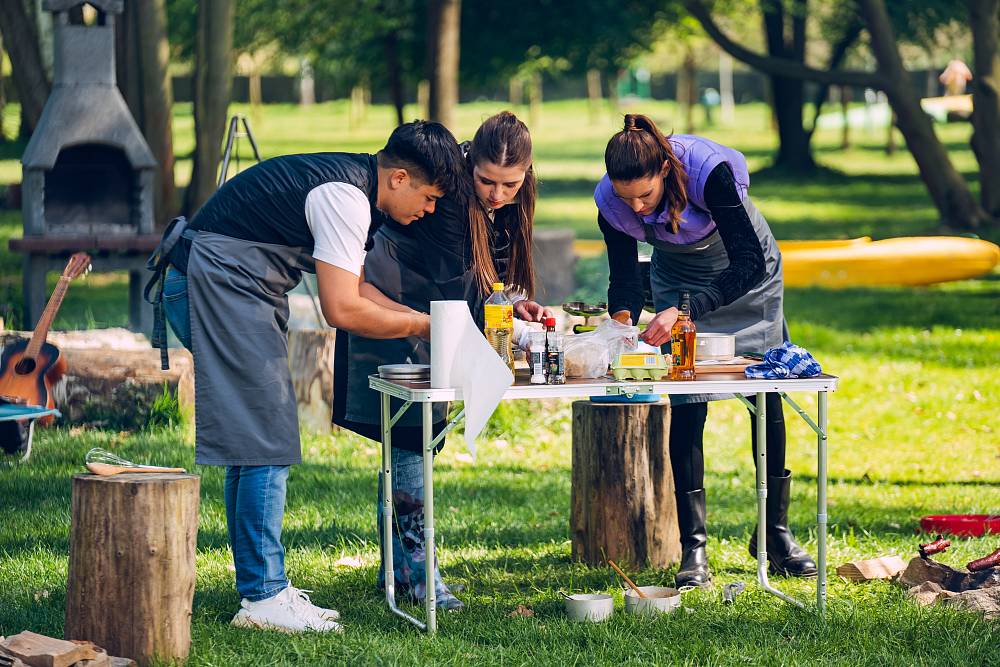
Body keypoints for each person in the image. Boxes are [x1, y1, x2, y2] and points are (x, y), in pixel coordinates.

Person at [152, 121, 466, 633]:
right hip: (215, 285)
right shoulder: (346, 197)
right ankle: (264, 598)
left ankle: (261, 588)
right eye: (429, 198)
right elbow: (340, 309)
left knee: (257, 443)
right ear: (400, 178)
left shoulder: (355, 187)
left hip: (229, 287)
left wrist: (429, 325)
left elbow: (358, 288)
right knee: (267, 441)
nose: (428, 211)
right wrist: (425, 324)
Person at [333, 111, 548, 610]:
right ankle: (418, 577)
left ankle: (398, 570)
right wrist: (506, 327)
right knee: (408, 436)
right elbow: (460, 282)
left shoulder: (513, 196)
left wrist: (510, 301)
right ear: (469, 165)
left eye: (510, 185)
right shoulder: (450, 195)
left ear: (527, 174)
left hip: (436, 309)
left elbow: (482, 275)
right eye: (487, 182)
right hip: (391, 302)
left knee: (416, 443)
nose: (497, 195)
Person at [594, 113, 817, 588]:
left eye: (645, 196)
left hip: (745, 277)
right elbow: (625, 276)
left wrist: (688, 309)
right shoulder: (610, 202)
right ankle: (693, 548)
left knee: (765, 394)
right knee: (688, 399)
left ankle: (774, 535)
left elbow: (750, 262)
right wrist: (620, 322)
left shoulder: (707, 172)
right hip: (677, 278)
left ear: (666, 172)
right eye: (625, 197)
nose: (635, 209)